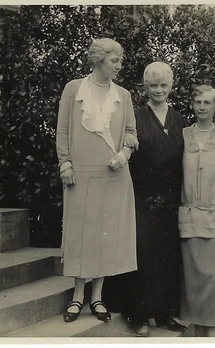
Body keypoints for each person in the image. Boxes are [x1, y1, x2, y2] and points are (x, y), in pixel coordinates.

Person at [56, 38, 138, 323]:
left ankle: (97, 298)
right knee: (81, 234)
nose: (119, 65)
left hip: (112, 175)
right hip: (80, 174)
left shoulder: (123, 96)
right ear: (99, 59)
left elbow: (130, 134)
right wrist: (64, 162)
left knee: (105, 235)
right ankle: (77, 297)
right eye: (115, 60)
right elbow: (63, 130)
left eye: (120, 60)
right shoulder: (73, 89)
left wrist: (124, 154)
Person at [103, 62, 188, 337]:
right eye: (153, 85)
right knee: (143, 254)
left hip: (172, 198)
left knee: (167, 255)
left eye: (163, 85)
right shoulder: (136, 116)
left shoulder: (180, 120)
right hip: (142, 197)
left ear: (171, 86)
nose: (159, 90)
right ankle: (139, 315)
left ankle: (164, 313)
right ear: (145, 87)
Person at [178, 85, 215, 337]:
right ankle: (201, 336)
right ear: (192, 105)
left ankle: (212, 338)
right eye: (198, 102)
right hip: (190, 218)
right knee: (195, 280)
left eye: (207, 103)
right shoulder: (183, 135)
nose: (202, 107)